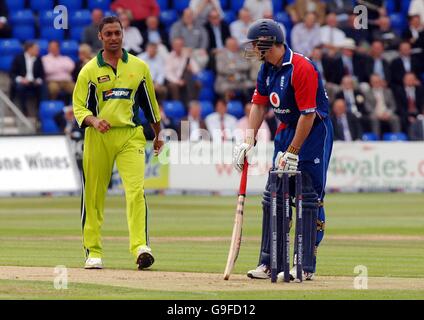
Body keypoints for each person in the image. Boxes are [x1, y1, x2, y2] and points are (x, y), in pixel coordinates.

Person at [233, 19, 333, 281]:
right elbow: (258, 105)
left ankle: (305, 261)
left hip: (314, 131)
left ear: (269, 41)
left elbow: (308, 115)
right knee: (275, 194)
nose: (254, 48)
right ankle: (269, 263)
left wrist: (293, 151)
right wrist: (248, 141)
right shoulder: (266, 69)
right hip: (286, 128)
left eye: (256, 43)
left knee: (308, 195)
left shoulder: (301, 67)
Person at [72, 16, 163, 270]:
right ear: (100, 37)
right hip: (98, 137)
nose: (113, 38)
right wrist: (93, 120)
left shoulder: (138, 67)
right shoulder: (89, 70)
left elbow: (150, 105)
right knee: (93, 194)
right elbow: (78, 107)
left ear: (123, 35)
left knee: (136, 191)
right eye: (108, 33)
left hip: (130, 135)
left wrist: (158, 134)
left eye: (117, 33)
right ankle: (93, 251)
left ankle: (141, 247)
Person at [10, 42, 45, 117]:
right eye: (36, 49)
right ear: (29, 49)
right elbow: (12, 73)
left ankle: (39, 110)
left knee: (43, 87)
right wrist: (21, 79)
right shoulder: (18, 58)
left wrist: (38, 80)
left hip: (34, 82)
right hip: (23, 82)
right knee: (20, 87)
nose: (38, 51)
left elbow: (42, 75)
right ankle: (24, 109)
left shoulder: (38, 59)